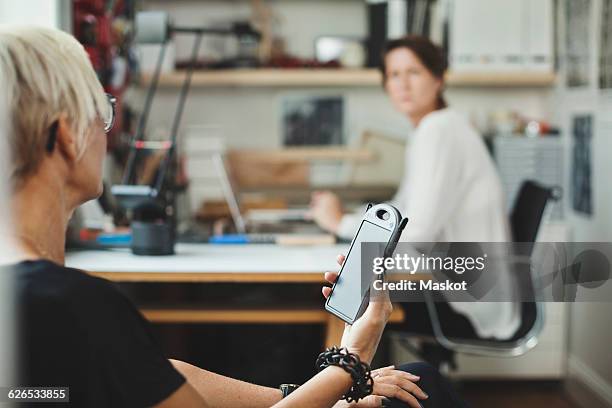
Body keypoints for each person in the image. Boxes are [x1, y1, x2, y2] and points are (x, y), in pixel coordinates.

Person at [0, 26, 470, 408]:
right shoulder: (75, 307)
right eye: (100, 112)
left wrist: (304, 395)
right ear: (64, 136)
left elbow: (156, 373)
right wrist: (351, 360)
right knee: (420, 385)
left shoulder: (44, 306)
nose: (107, 131)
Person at [309, 36, 519, 341]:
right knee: (342, 285)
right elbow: (403, 209)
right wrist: (351, 218)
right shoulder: (433, 128)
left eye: (414, 72)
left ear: (439, 78)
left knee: (329, 296)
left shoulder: (440, 129)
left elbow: (418, 233)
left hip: (457, 302)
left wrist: (339, 222)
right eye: (394, 75)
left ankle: (329, 386)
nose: (403, 84)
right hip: (463, 289)